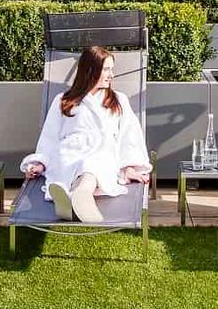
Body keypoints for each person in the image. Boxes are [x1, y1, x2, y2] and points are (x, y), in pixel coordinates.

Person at [21, 46, 151, 222]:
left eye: (111, 69)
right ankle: (74, 198)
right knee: (74, 165)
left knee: (91, 165)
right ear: (90, 70)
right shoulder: (63, 100)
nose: (112, 75)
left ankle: (79, 195)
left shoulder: (118, 100)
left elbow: (129, 136)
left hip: (102, 153)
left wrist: (129, 167)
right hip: (69, 153)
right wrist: (40, 163)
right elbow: (50, 137)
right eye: (106, 69)